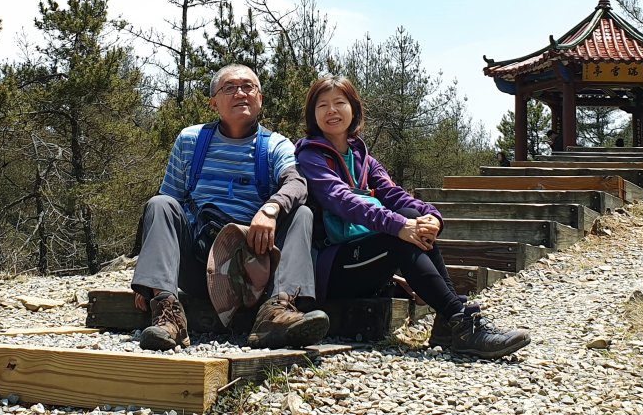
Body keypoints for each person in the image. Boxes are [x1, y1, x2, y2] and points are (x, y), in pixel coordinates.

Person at [295, 75, 531, 360]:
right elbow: (341, 200)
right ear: (313, 114)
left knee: (411, 217)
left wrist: (431, 216)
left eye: (339, 103)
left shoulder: (364, 158)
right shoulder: (311, 156)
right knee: (400, 235)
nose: (331, 111)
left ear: (353, 109)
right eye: (322, 105)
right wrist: (399, 226)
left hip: (363, 256)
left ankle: (450, 321)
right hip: (332, 268)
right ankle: (459, 320)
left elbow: (395, 195)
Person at [131, 64, 329, 351]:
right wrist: (149, 280)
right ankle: (168, 316)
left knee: (301, 212)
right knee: (160, 204)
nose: (240, 93)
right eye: (230, 88)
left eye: (249, 87)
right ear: (213, 102)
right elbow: (166, 206)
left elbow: (297, 183)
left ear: (260, 99)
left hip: (254, 269)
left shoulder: (275, 145)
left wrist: (271, 208)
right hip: (198, 263)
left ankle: (276, 312)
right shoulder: (190, 140)